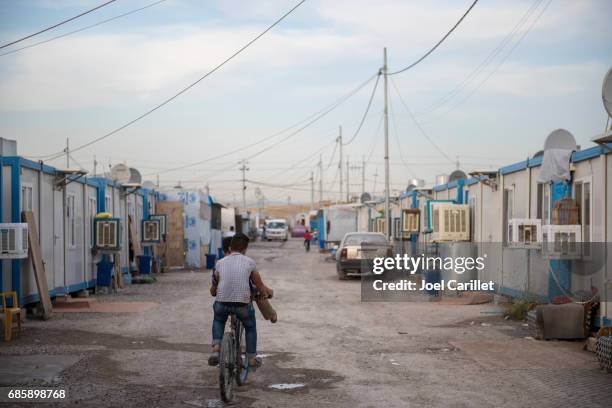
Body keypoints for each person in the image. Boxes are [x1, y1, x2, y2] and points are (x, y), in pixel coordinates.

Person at [208, 233, 273, 369]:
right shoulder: (249, 262)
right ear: (245, 249)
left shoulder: (219, 263)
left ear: (230, 248)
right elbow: (259, 285)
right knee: (250, 326)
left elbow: (213, 288)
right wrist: (265, 294)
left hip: (222, 303)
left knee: (218, 320)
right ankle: (251, 358)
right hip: (242, 305)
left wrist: (215, 291)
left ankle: (216, 348)